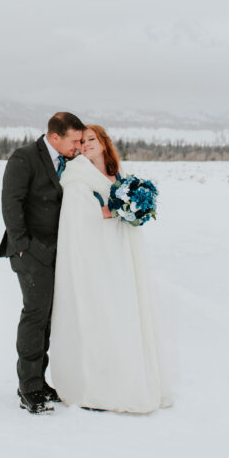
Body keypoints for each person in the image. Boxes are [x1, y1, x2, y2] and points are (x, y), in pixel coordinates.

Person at [49, 124, 173, 413]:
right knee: (102, 312)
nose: (85, 145)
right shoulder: (77, 176)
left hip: (122, 252)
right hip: (96, 256)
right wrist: (115, 209)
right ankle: (98, 384)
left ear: (103, 142)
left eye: (91, 139)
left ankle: (129, 373)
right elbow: (79, 216)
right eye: (81, 142)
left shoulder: (119, 175)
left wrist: (134, 209)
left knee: (125, 311)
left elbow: (120, 209)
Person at [0, 112, 85, 414]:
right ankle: (29, 388)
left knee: (47, 317)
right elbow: (11, 203)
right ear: (55, 137)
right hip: (30, 251)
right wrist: (23, 247)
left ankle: (40, 380)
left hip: (58, 251)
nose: (78, 146)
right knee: (35, 314)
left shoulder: (70, 162)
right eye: (74, 140)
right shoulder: (24, 158)